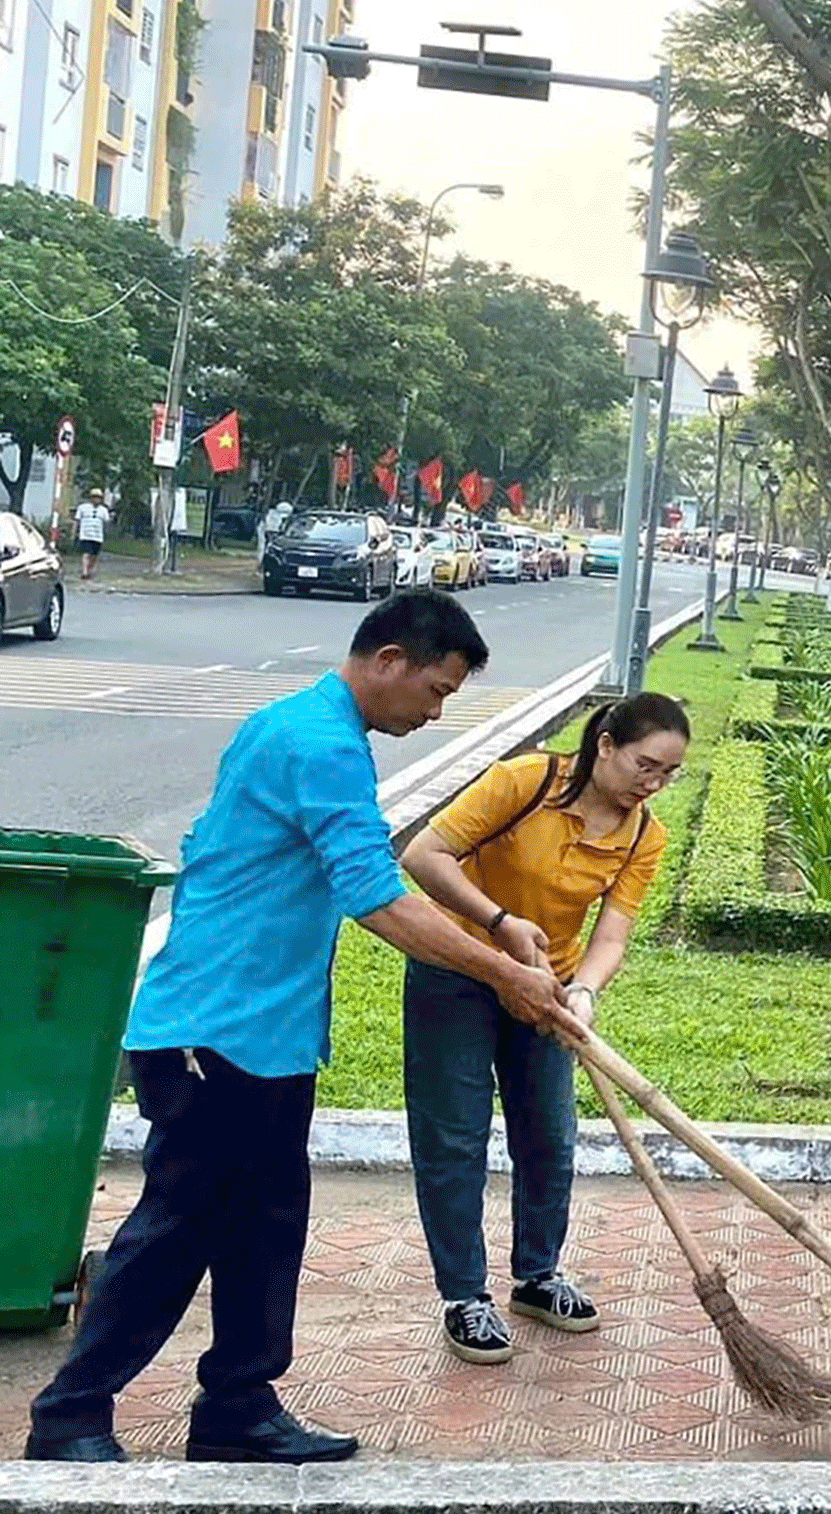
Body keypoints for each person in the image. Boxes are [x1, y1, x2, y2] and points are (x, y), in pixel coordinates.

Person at [25, 593, 576, 1466]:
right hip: (215, 1033)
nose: (435, 712)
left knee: (268, 1226)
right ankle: (69, 1416)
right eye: (434, 690)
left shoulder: (316, 732)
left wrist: (501, 934)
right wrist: (504, 972)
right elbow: (376, 897)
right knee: (177, 1230)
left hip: (268, 1037)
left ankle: (238, 1406)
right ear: (387, 660)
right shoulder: (316, 742)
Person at [395, 693, 689, 1366]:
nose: (654, 783)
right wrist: (498, 923)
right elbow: (424, 855)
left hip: (543, 988)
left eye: (669, 773)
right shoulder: (526, 782)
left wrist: (583, 990)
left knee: (549, 1135)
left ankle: (537, 1274)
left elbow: (614, 930)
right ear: (606, 744)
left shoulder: (644, 835)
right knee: (455, 1135)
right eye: (646, 764)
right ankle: (464, 1294)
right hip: (461, 969)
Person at [72, 488, 109, 581]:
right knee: (86, 554)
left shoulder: (103, 510)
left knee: (94, 556)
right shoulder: (82, 508)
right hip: (85, 535)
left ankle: (89, 569)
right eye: (94, 497)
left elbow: (106, 522)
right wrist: (74, 532)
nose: (97, 499)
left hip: (97, 536)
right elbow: (77, 521)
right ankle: (85, 572)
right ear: (91, 498)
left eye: (98, 498)